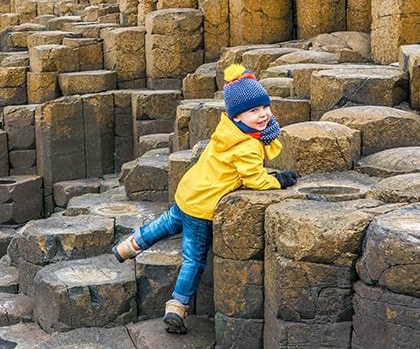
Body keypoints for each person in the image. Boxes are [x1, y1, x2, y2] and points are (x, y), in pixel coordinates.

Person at [112, 64, 298, 332]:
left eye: (264, 108)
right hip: (202, 207)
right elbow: (254, 179)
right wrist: (278, 181)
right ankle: (177, 306)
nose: (263, 115)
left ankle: (128, 246)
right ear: (237, 117)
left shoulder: (228, 132)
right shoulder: (248, 146)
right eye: (254, 111)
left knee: (166, 224)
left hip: (189, 193)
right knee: (194, 258)